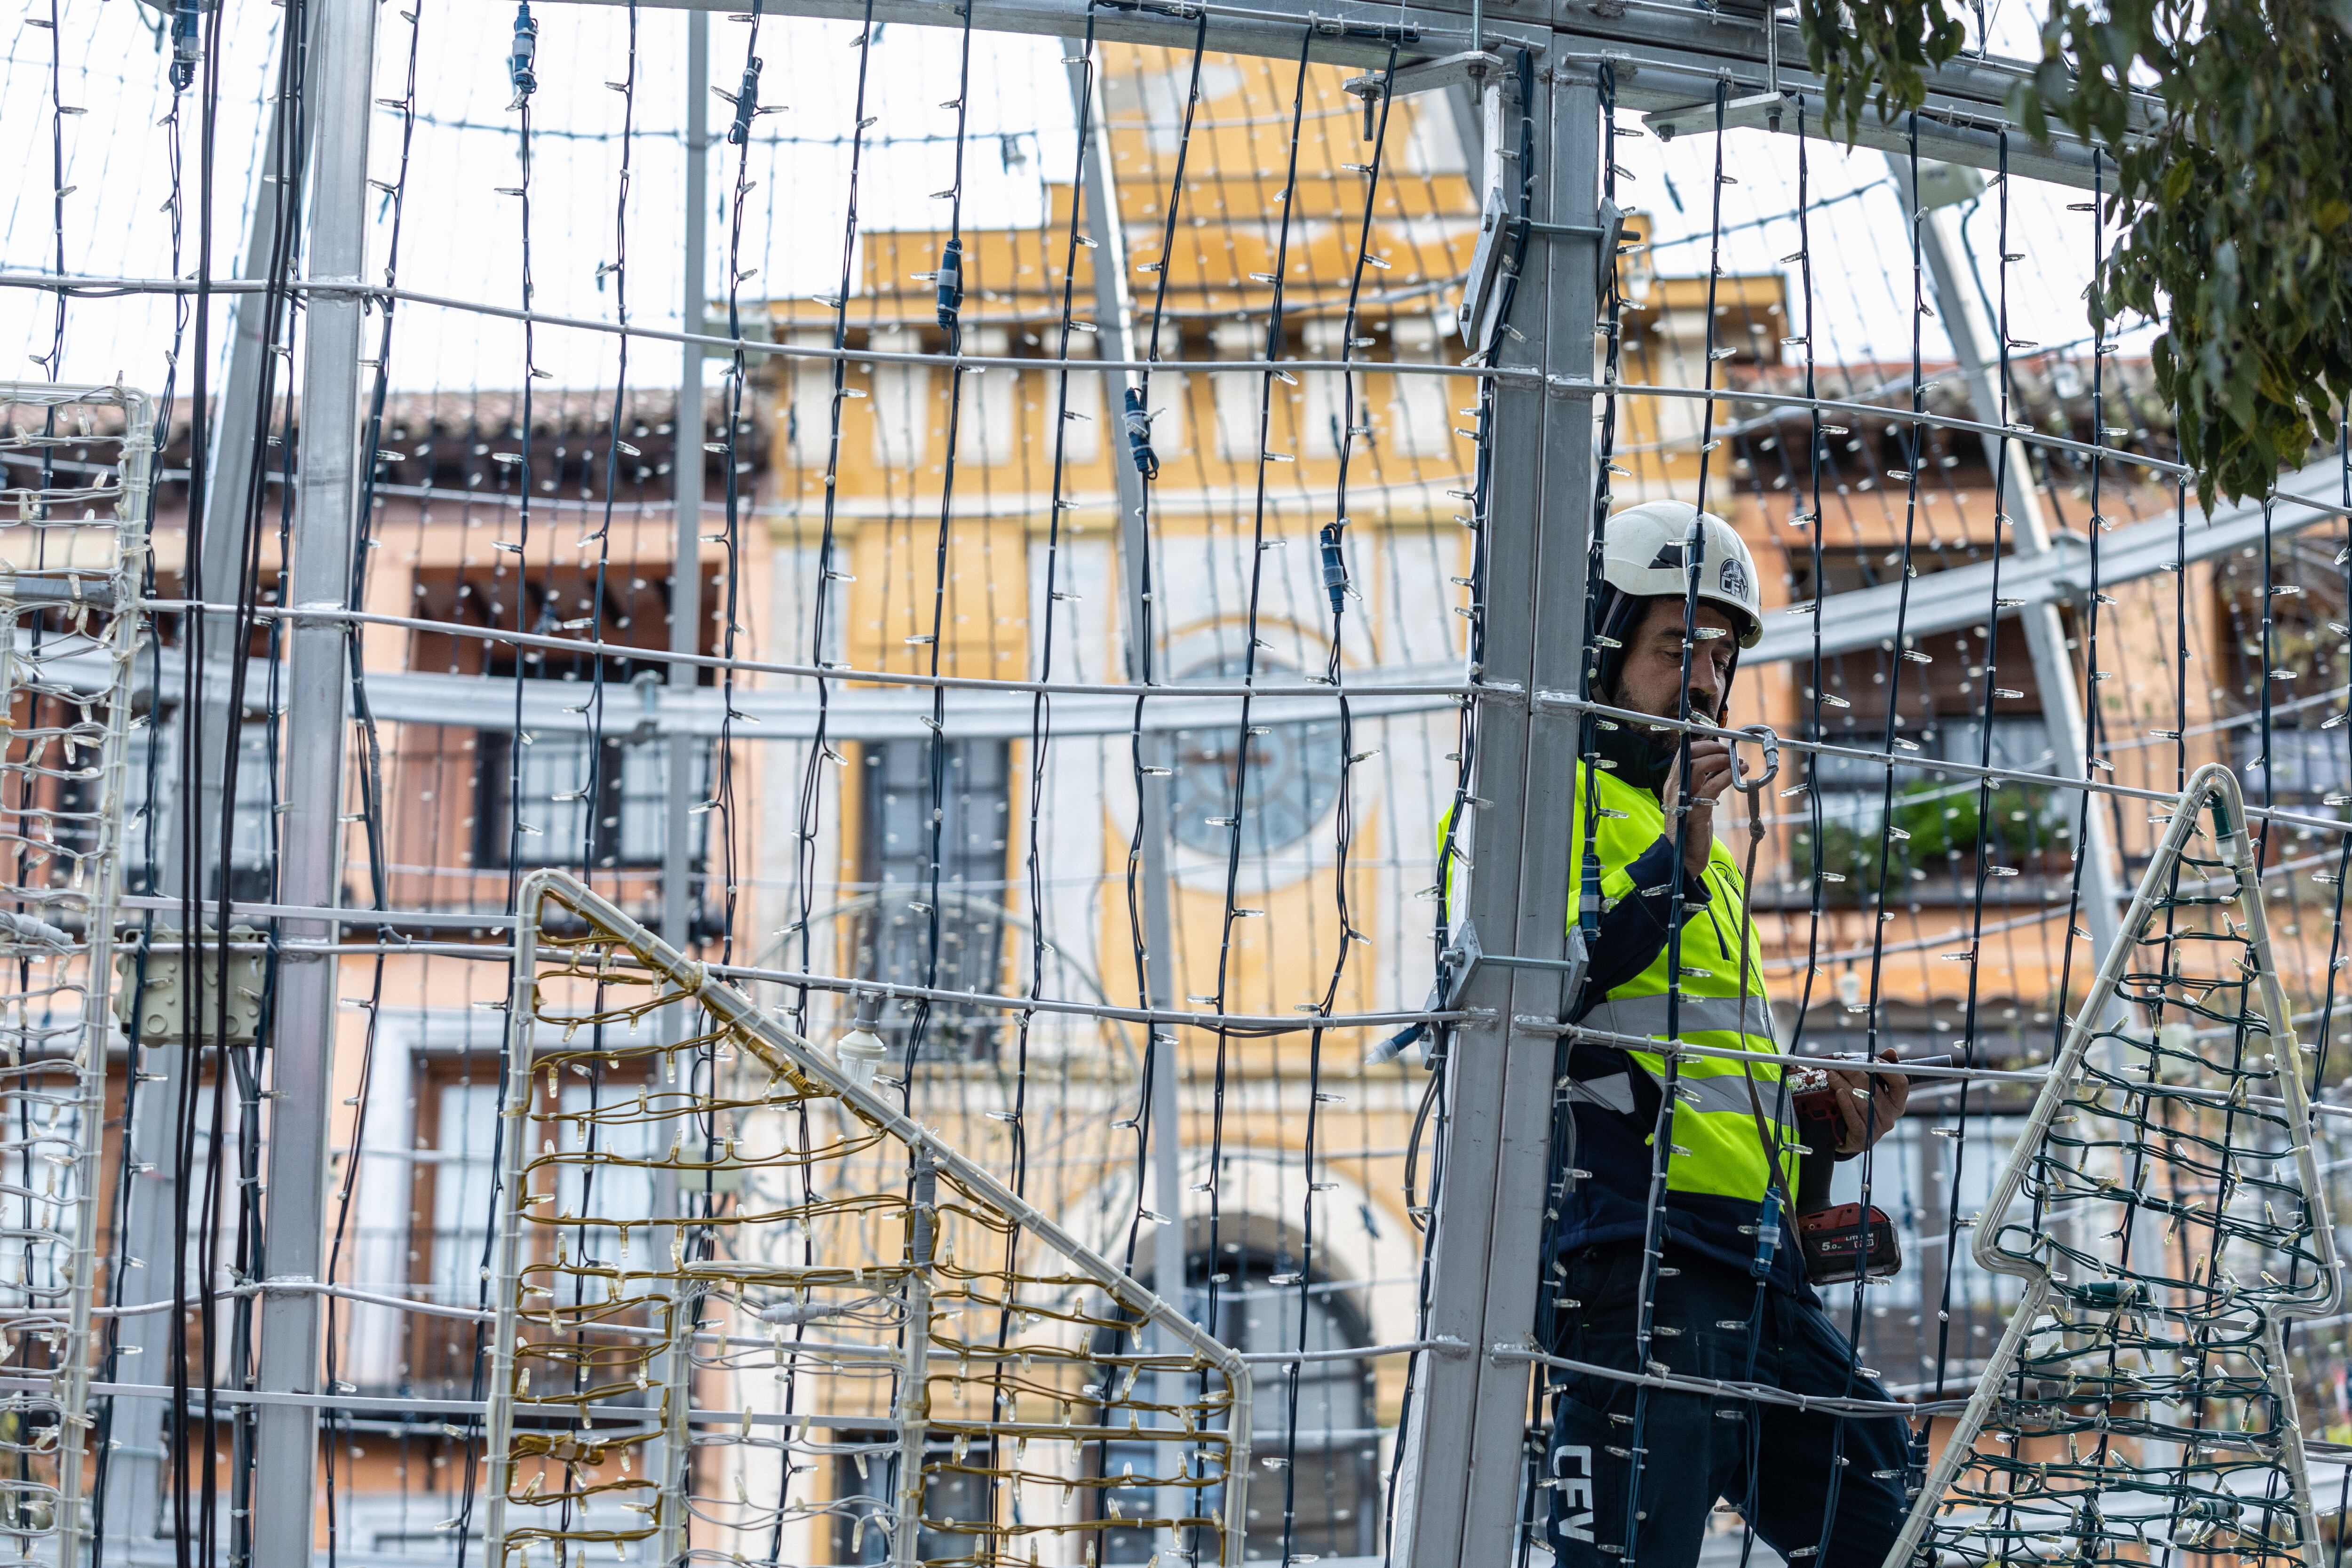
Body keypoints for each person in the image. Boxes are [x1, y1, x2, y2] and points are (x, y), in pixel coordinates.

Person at [1542, 500, 1914, 1568]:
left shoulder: (1684, 838)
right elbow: (1545, 995)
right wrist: (1677, 857)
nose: (1704, 681)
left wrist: (1819, 1133)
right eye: (1674, 649)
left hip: (1753, 1262)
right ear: (1602, 650)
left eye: (1718, 655)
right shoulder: (1527, 808)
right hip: (1626, 1254)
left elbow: (1695, 1075)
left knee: (1886, 1509)